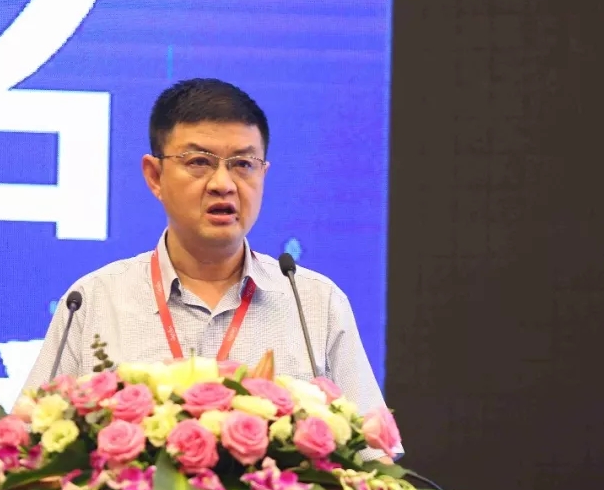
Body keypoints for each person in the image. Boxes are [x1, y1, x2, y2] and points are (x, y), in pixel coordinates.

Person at [22, 78, 402, 463]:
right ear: (155, 176)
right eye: (199, 162)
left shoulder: (315, 304)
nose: (223, 184)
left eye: (243, 165)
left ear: (263, 174)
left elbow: (374, 462)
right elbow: (31, 448)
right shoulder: (94, 300)